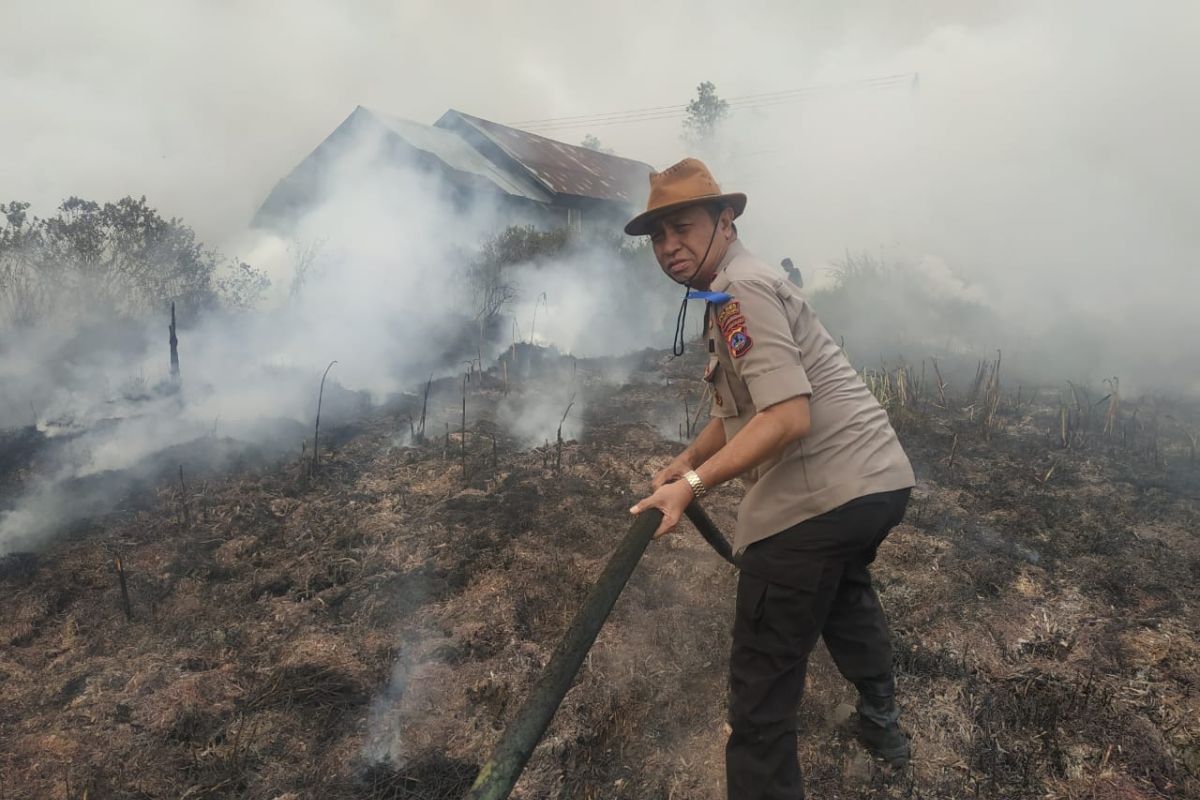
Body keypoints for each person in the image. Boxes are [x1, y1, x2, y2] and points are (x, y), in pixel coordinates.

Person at [625, 158, 916, 799]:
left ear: (724, 221)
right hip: (877, 483)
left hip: (821, 495)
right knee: (842, 590)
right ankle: (882, 724)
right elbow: (743, 412)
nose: (669, 247)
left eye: (682, 227)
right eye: (657, 237)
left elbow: (786, 416)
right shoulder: (733, 287)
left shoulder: (740, 291)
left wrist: (693, 488)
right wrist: (686, 461)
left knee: (761, 685)